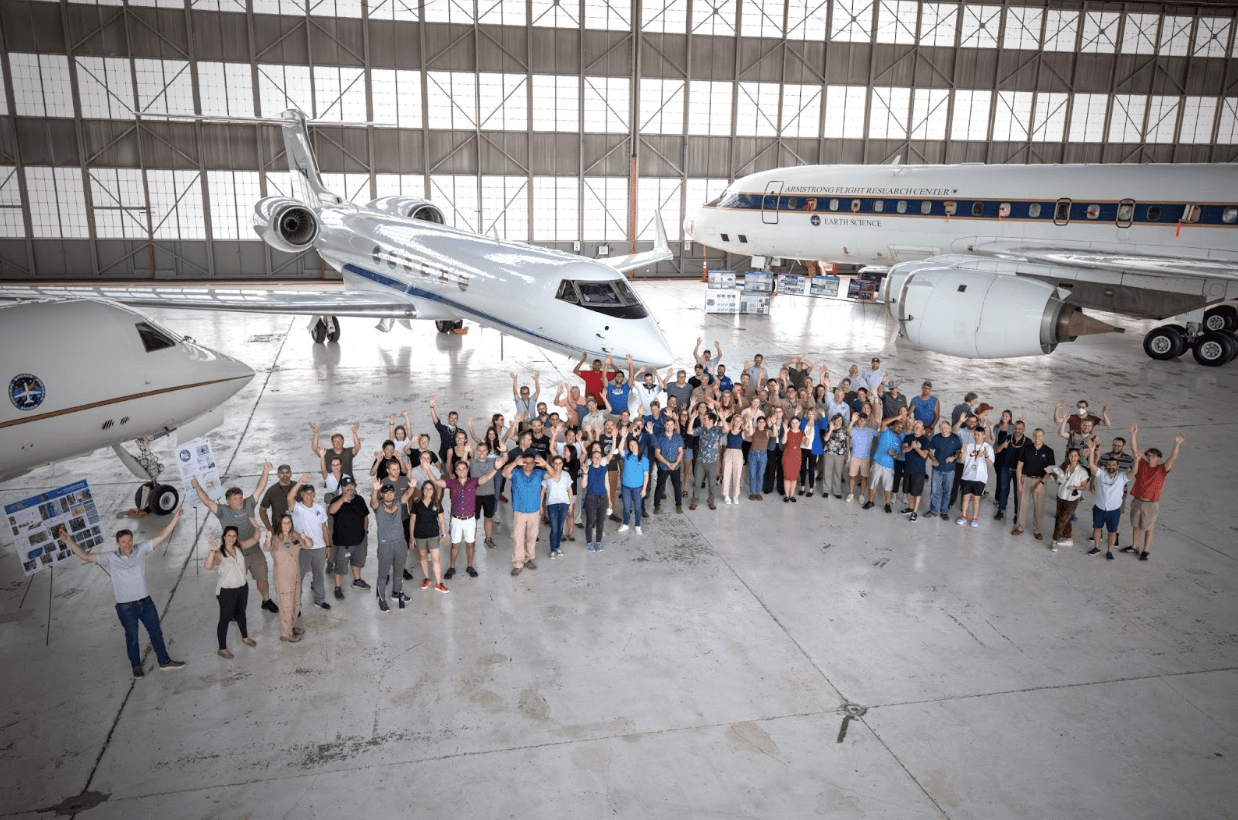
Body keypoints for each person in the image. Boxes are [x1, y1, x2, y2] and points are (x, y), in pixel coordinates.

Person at [57, 510, 187, 677]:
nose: (127, 544)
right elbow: (86, 556)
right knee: (132, 638)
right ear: (118, 543)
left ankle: (164, 661)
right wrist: (69, 541)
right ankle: (136, 666)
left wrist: (175, 518)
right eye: (123, 542)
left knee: (156, 633)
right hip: (126, 608)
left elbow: (161, 536)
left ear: (133, 541)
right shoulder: (110, 558)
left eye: (129, 541)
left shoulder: (141, 550)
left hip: (146, 603)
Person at [192, 463, 277, 613]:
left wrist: (265, 471)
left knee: (262, 578)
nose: (239, 501)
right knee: (235, 584)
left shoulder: (249, 504)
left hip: (255, 550)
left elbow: (260, 488)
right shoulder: (222, 511)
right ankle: (232, 610)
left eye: (240, 497)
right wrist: (197, 487)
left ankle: (266, 600)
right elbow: (207, 501)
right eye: (235, 499)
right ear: (228, 501)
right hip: (235, 554)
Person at [1126, 424, 1186, 562]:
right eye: (1148, 455)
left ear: (1159, 457)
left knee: (1148, 528)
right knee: (1136, 525)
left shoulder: (1162, 469)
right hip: (1137, 500)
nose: (1150, 457)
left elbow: (1172, 458)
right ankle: (1134, 546)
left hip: (1151, 503)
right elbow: (1134, 449)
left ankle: (1145, 551)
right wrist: (1133, 434)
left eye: (1153, 456)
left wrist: (1177, 444)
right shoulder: (1141, 465)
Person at [443, 453, 505, 572]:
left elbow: (486, 478)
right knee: (455, 545)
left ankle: (469, 566)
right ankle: (452, 567)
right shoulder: (452, 483)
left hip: (470, 520)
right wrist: (428, 471)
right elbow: (438, 482)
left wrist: (496, 468)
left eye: (464, 468)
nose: (462, 470)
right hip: (456, 519)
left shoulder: (473, 481)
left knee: (470, 544)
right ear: (455, 471)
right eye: (459, 469)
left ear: (467, 470)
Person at [205, 526, 259, 659]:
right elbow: (207, 566)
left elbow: (254, 539)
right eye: (229, 535)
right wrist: (212, 551)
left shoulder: (239, 547)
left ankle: (245, 637)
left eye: (234, 536)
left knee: (241, 614)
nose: (231, 538)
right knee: (225, 619)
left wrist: (257, 527)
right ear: (224, 537)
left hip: (242, 588)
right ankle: (222, 648)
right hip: (227, 591)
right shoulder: (219, 554)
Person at [1087, 443, 1138, 560]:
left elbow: (1134, 472)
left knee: (1112, 532)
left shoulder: (1122, 477)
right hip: (1099, 508)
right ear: (1106, 466)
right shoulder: (1101, 474)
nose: (1111, 466)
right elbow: (1091, 465)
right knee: (1097, 529)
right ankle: (1097, 547)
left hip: (1114, 511)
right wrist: (1091, 450)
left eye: (1114, 465)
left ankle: (1109, 551)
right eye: (1109, 465)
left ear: (1117, 466)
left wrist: (1137, 459)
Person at [287, 474, 331, 610]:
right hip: (302, 549)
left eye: (312, 493)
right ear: (301, 494)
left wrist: (328, 546)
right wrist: (300, 481)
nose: (309, 496)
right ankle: (296, 605)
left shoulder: (319, 508)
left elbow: (324, 527)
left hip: (319, 548)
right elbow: (289, 497)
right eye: (306, 493)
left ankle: (319, 600)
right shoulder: (297, 508)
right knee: (298, 578)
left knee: (318, 575)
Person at [503, 452, 549, 573]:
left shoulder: (538, 473)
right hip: (520, 512)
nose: (528, 465)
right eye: (526, 462)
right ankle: (518, 563)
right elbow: (504, 473)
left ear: (534, 464)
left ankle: (528, 559)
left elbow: (554, 474)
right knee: (518, 538)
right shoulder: (516, 473)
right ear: (522, 463)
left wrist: (545, 464)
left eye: (531, 462)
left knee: (532, 537)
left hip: (534, 512)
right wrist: (514, 463)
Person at [326, 476, 370, 599]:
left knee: (357, 562)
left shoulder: (360, 499)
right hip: (343, 542)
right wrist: (342, 500)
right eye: (346, 486)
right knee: (340, 566)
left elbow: (365, 516)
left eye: (352, 485)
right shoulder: (336, 500)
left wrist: (365, 531)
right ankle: (338, 588)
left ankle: (357, 580)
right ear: (342, 488)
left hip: (360, 539)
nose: (350, 488)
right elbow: (331, 511)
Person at [266, 513, 308, 641]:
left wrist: (305, 538)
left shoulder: (294, 535)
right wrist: (268, 538)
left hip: (295, 574)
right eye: (284, 522)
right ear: (279, 524)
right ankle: (286, 633)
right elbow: (267, 547)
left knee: (296, 603)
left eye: (289, 522)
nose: (287, 525)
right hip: (283, 576)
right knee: (286, 606)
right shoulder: (274, 539)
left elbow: (308, 545)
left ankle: (292, 627)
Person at [370, 479, 410, 611]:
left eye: (391, 492)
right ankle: (381, 599)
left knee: (399, 571)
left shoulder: (398, 502)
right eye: (385, 493)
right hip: (385, 545)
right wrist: (375, 489)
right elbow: (373, 502)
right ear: (382, 494)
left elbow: (407, 495)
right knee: (383, 574)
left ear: (394, 494)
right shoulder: (379, 506)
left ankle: (396, 593)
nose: (389, 495)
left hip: (400, 543)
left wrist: (412, 487)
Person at [1042, 446, 1091, 550]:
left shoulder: (1082, 472)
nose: (1073, 458)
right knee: (1065, 518)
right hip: (1061, 496)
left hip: (1072, 499)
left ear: (1078, 457)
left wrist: (1075, 487)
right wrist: (1053, 478)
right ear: (1068, 457)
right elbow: (1060, 481)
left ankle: (1054, 540)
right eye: (1071, 456)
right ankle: (1069, 539)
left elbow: (1084, 487)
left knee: (1061, 520)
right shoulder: (1064, 467)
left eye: (1075, 456)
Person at [1013, 428, 1055, 540]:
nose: (1038, 438)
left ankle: (1037, 530)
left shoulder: (1049, 451)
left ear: (1044, 437)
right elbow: (1019, 466)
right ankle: (1020, 527)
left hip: (1040, 480)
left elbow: (1050, 470)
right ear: (1033, 436)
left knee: (1039, 506)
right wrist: (1019, 482)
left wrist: (1041, 483)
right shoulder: (1026, 449)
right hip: (1025, 479)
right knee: (1022, 504)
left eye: (1040, 436)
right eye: (1036, 436)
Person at [408, 479, 450, 593]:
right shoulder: (416, 503)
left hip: (433, 535)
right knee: (423, 557)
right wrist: (411, 537)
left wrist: (444, 534)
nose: (428, 490)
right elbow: (412, 520)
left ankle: (438, 583)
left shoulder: (437, 503)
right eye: (426, 488)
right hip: (419, 535)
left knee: (436, 559)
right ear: (422, 490)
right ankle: (427, 578)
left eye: (431, 488)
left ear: (434, 491)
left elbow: (441, 520)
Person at [957, 427, 995, 527]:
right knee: (965, 497)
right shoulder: (968, 446)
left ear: (984, 436)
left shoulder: (988, 448)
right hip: (967, 476)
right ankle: (964, 516)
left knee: (976, 499)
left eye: (979, 435)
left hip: (980, 478)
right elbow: (962, 461)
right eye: (975, 434)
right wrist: (962, 453)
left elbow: (990, 465)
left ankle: (974, 518)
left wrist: (986, 456)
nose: (976, 437)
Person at [993, 418, 1026, 522]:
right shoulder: (1007, 438)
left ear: (1023, 430)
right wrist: (1002, 446)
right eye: (1016, 428)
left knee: (1017, 492)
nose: (1017, 430)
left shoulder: (1028, 442)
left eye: (1020, 429)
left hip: (1018, 471)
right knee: (1003, 489)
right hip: (1006, 468)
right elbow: (996, 451)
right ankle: (1001, 510)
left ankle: (1017, 514)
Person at [867, 418, 903, 513]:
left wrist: (894, 454)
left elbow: (898, 454)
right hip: (877, 461)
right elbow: (883, 423)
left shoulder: (899, 440)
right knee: (872, 483)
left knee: (888, 487)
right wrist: (897, 417)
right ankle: (870, 501)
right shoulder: (885, 431)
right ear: (893, 426)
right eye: (898, 426)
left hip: (889, 466)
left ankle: (887, 504)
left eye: (901, 428)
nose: (899, 428)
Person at [690, 408, 723, 510]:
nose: (703, 420)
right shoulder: (701, 429)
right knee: (697, 483)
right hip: (700, 461)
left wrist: (721, 416)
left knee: (712, 484)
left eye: (705, 419)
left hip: (712, 462)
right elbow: (689, 431)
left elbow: (727, 429)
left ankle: (711, 501)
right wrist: (692, 419)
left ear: (711, 421)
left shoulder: (718, 430)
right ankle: (695, 501)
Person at [928, 420, 961, 519]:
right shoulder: (936, 438)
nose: (944, 430)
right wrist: (933, 459)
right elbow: (929, 450)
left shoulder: (955, 439)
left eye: (946, 428)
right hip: (937, 469)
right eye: (942, 428)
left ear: (950, 428)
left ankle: (944, 512)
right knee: (934, 491)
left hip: (950, 470)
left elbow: (959, 451)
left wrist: (953, 457)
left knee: (947, 492)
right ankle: (933, 510)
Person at [543, 455, 574, 558]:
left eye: (560, 463)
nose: (557, 466)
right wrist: (541, 506)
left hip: (564, 504)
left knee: (560, 528)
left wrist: (570, 504)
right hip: (552, 505)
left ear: (562, 464)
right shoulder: (547, 475)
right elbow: (542, 491)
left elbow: (570, 490)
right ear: (552, 464)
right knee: (554, 528)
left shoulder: (566, 475)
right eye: (555, 463)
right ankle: (552, 549)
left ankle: (557, 547)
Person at [581, 445, 611, 551]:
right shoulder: (588, 469)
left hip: (602, 498)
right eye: (595, 457)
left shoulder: (604, 469)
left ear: (601, 458)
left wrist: (610, 500)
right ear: (591, 459)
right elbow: (583, 485)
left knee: (600, 522)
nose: (597, 459)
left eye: (599, 457)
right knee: (590, 522)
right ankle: (589, 542)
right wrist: (584, 472)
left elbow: (607, 484)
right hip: (591, 498)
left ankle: (598, 542)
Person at [652, 417, 685, 514]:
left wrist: (675, 463)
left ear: (675, 426)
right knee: (659, 486)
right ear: (665, 425)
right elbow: (657, 453)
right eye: (667, 424)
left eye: (671, 424)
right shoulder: (659, 437)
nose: (669, 427)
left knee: (677, 486)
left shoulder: (678, 437)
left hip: (676, 467)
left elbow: (680, 452)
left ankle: (678, 505)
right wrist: (667, 463)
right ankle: (656, 505)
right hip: (663, 467)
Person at [901, 419, 931, 521]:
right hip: (908, 468)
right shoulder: (908, 437)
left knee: (916, 492)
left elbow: (924, 455)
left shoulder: (925, 440)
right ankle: (910, 507)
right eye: (915, 427)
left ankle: (914, 512)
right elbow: (904, 450)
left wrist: (917, 448)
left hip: (919, 471)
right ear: (913, 427)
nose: (917, 429)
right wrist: (911, 446)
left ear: (922, 428)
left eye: (919, 427)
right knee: (907, 491)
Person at [846, 413, 876, 502]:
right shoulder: (853, 429)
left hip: (866, 458)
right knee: (852, 476)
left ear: (866, 421)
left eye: (863, 420)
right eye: (860, 419)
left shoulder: (871, 431)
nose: (861, 421)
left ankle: (861, 495)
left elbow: (881, 433)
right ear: (857, 420)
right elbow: (848, 430)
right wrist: (852, 420)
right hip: (854, 457)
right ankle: (851, 494)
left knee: (864, 477)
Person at [720, 415, 746, 504]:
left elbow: (750, 432)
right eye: (736, 421)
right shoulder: (729, 431)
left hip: (738, 453)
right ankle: (726, 495)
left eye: (740, 421)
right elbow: (725, 425)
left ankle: (735, 495)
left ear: (742, 422)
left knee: (737, 475)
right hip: (728, 452)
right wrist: (722, 417)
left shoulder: (743, 432)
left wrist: (749, 420)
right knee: (726, 474)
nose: (738, 422)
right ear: (733, 421)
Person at [429, 396, 462, 464]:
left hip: (457, 460)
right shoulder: (443, 429)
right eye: (451, 418)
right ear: (448, 419)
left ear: (457, 420)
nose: (453, 420)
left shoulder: (461, 432)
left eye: (455, 418)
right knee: (445, 474)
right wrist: (432, 407)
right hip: (444, 459)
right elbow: (435, 420)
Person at [746, 415, 770, 501]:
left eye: (763, 422)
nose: (761, 424)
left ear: (765, 423)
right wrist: (749, 421)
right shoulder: (754, 430)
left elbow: (775, 434)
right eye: (759, 422)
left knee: (760, 474)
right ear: (757, 423)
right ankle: (752, 492)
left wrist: (774, 424)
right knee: (752, 474)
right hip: (753, 454)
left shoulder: (767, 431)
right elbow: (749, 433)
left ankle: (758, 492)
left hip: (763, 455)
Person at [781, 417, 804, 502]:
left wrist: (808, 436)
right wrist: (785, 433)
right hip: (787, 455)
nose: (794, 425)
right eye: (793, 423)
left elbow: (806, 443)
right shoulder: (788, 432)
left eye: (796, 423)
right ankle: (787, 495)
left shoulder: (802, 433)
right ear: (790, 424)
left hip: (797, 455)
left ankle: (792, 495)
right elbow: (783, 442)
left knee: (794, 477)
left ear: (799, 423)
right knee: (787, 476)